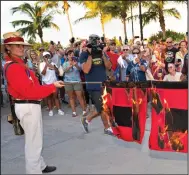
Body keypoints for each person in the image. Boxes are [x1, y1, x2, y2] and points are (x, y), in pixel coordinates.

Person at [2, 32, 64, 174]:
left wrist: (51, 85)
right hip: (27, 105)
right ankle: (34, 171)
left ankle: (39, 165)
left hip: (29, 105)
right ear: (8, 48)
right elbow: (29, 91)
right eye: (17, 46)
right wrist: (52, 86)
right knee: (34, 142)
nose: (21, 48)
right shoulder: (14, 67)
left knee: (35, 139)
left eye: (22, 45)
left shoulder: (19, 64)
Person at [79, 34, 113, 136]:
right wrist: (90, 55)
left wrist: (102, 54)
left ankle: (87, 119)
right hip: (93, 86)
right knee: (102, 108)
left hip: (104, 85)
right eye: (94, 42)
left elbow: (109, 66)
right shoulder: (84, 54)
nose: (96, 44)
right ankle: (107, 128)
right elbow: (86, 70)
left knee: (102, 107)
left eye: (97, 42)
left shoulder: (101, 53)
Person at [39, 51, 64, 116]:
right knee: (49, 98)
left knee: (56, 97)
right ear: (43, 57)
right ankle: (50, 110)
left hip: (54, 82)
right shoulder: (41, 64)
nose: (47, 57)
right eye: (45, 56)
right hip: (46, 83)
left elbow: (58, 73)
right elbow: (43, 73)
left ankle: (59, 110)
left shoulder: (53, 63)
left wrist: (53, 66)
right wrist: (46, 66)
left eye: (48, 56)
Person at [63, 49, 86, 117]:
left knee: (80, 96)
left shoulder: (77, 62)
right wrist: (70, 66)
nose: (71, 56)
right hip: (68, 82)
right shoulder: (65, 63)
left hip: (77, 81)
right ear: (67, 56)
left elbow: (80, 70)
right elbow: (65, 71)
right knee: (71, 97)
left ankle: (84, 110)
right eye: (69, 55)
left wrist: (75, 65)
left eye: (72, 54)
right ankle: (74, 112)